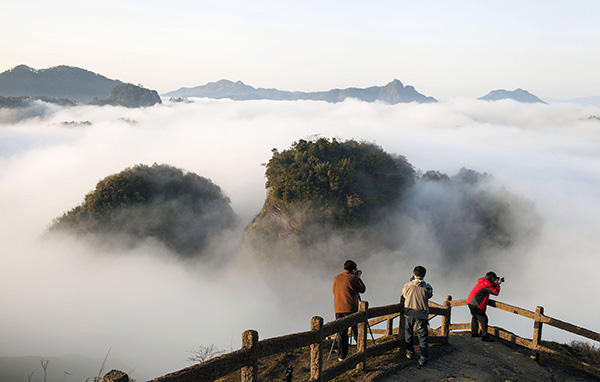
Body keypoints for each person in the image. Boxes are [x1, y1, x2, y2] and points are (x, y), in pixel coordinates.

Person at [332, 259, 366, 361]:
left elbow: (334, 291)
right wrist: (358, 277)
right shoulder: (353, 278)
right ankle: (360, 351)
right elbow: (362, 289)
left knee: (342, 332)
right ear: (353, 270)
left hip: (338, 308)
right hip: (350, 308)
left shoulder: (336, 278)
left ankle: (342, 355)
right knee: (356, 330)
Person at [402, 265, 434, 367]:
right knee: (423, 336)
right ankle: (423, 357)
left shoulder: (407, 285)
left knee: (408, 333)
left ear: (414, 273)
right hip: (421, 313)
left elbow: (404, 295)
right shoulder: (427, 287)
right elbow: (429, 295)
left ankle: (409, 352)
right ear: (424, 275)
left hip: (409, 312)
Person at [467, 271, 502, 342]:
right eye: (494, 279)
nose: (495, 280)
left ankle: (474, 333)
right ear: (491, 278)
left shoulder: (483, 282)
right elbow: (495, 292)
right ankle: (485, 336)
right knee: (484, 319)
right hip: (476, 304)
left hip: (470, 302)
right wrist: (498, 285)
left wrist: (495, 283)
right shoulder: (486, 284)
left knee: (475, 317)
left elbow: (489, 286)